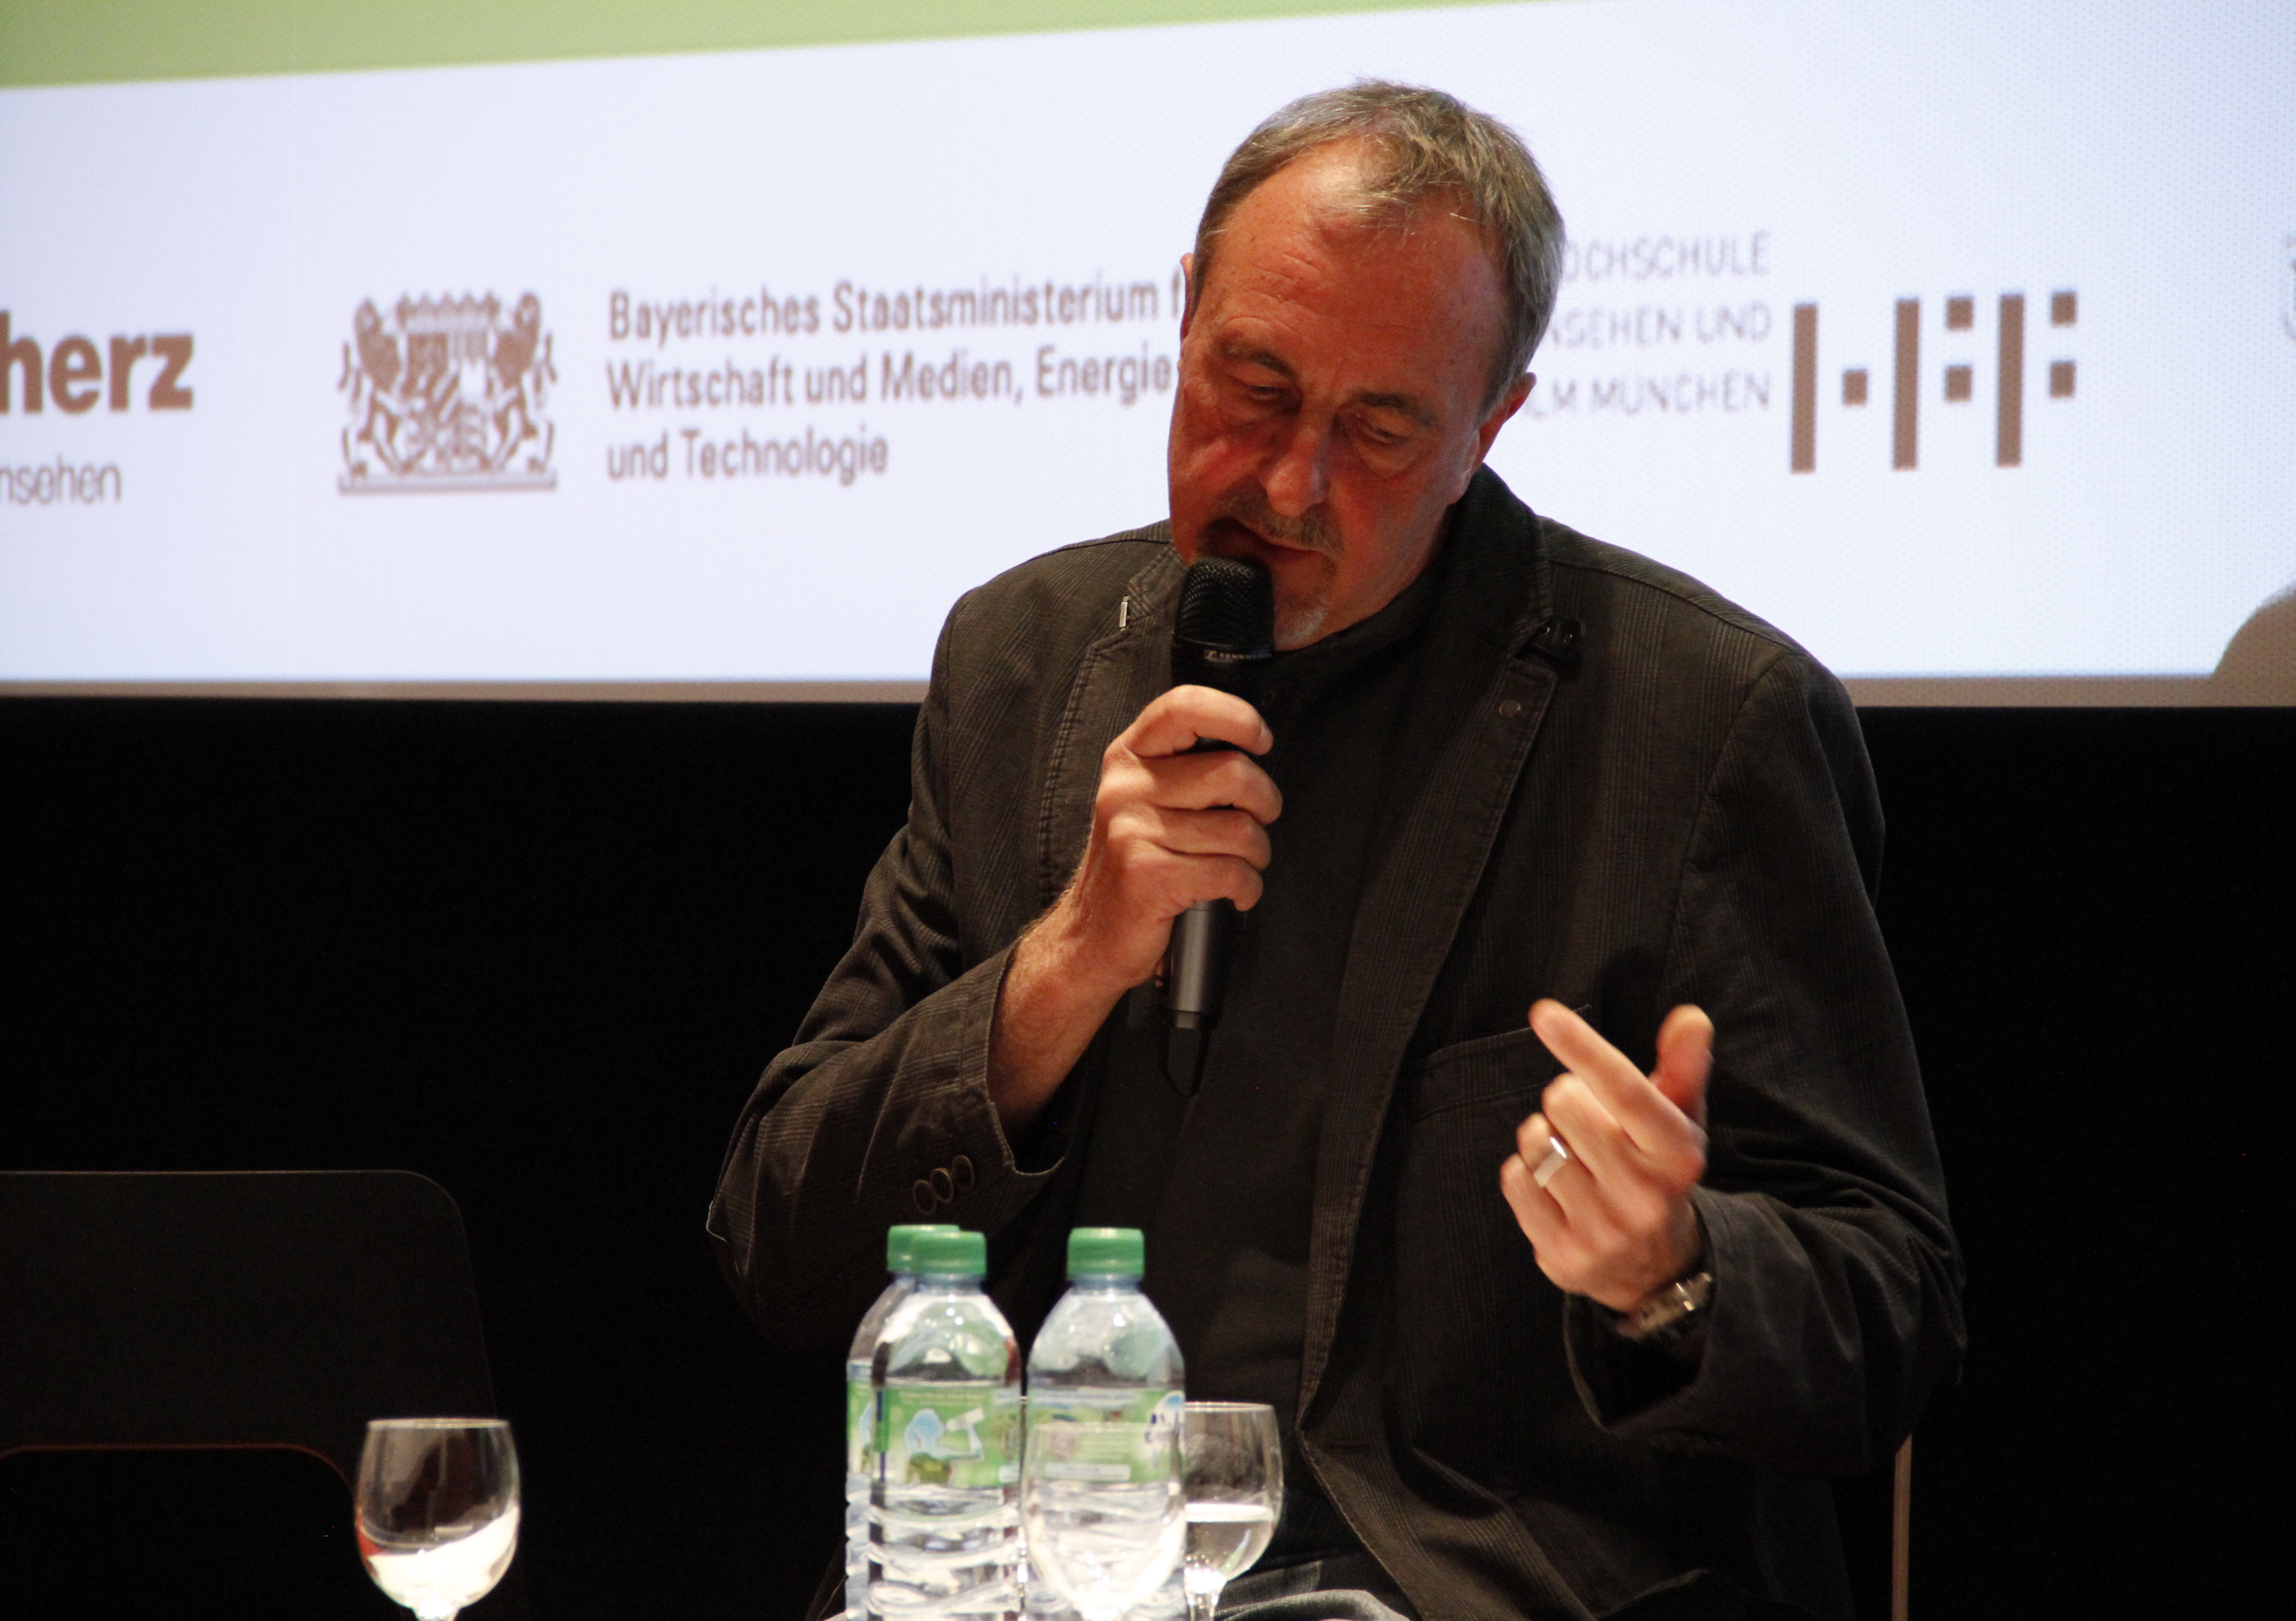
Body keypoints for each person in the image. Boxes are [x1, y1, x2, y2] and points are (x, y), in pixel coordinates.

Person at [712, 81, 1963, 1621]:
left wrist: (1672, 1269)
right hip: (1039, 1571)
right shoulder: (1022, 660)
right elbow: (780, 1244)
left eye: (1378, 428)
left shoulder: (1703, 721)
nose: (1290, 483)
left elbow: (1892, 1314)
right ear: (1182, 318)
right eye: (1253, 385)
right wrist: (1068, 962)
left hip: (1457, 1583)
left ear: (1490, 426)